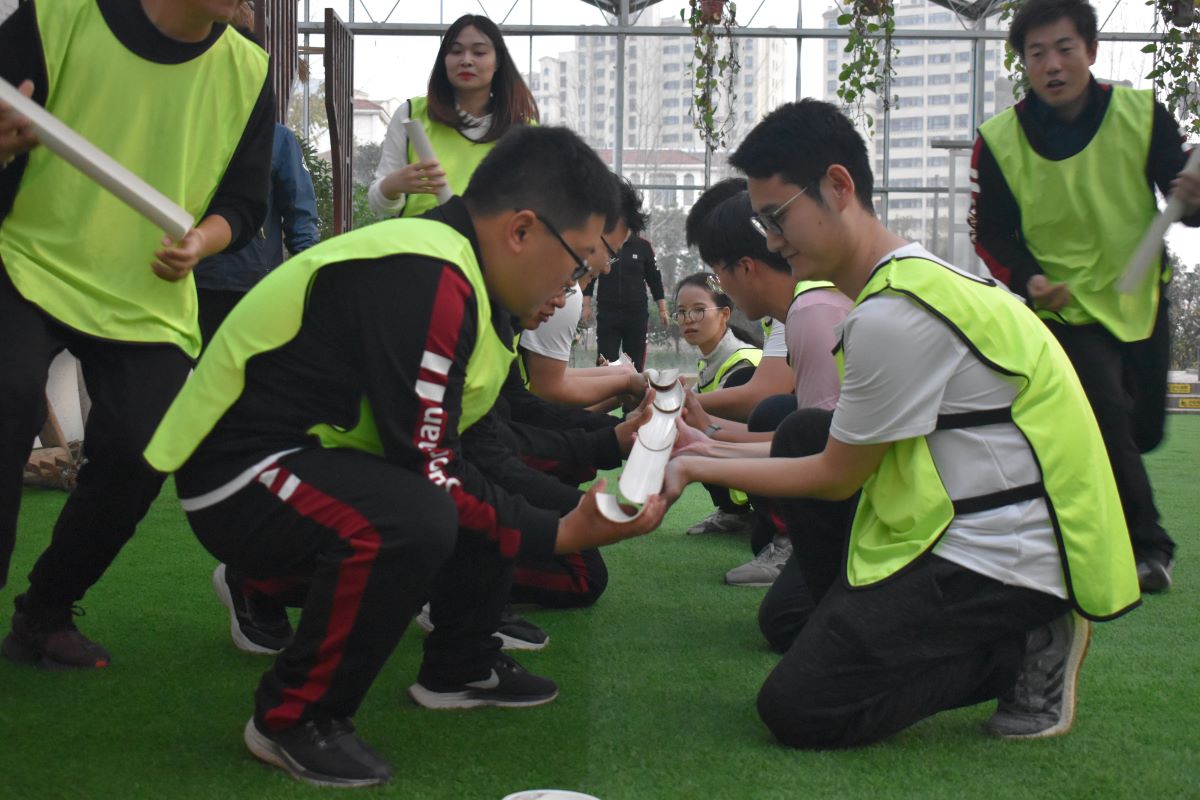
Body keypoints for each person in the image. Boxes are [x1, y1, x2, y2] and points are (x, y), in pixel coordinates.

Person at [142, 126, 665, 788]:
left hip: (312, 461)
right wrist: (560, 531)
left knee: (477, 496)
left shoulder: (466, 282)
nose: (576, 286)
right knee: (418, 514)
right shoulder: (429, 274)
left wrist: (561, 516)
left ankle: (460, 665)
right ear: (522, 231)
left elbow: (481, 455)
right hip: (240, 474)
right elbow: (431, 472)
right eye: (580, 261)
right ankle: (294, 717)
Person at [663, 98, 1140, 748]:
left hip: (1010, 559)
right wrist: (702, 447)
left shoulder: (892, 315)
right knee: (805, 436)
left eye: (777, 219)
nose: (771, 242)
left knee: (798, 709)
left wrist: (695, 459)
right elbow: (835, 450)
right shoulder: (905, 286)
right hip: (962, 518)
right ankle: (861, 623)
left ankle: (1019, 645)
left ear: (838, 187)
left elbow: (836, 477)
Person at [0, 0, 272, 668]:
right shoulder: (56, 17)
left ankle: (45, 612)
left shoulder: (248, 68)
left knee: (142, 448)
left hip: (146, 298)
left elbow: (244, 202)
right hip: (27, 263)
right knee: (6, 394)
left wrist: (200, 240)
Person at [970, 0, 1200, 595]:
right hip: (1064, 309)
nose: (1051, 64)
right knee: (1105, 419)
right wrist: (1028, 280)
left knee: (1145, 430)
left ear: (1090, 52)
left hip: (1139, 297)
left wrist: (1194, 196)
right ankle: (1148, 548)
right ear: (1022, 62)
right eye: (1036, 53)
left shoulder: (1142, 114)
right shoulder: (998, 141)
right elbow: (990, 233)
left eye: (1063, 49)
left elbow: (1188, 202)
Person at [680, 179, 851, 587]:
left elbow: (817, 453)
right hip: (851, 459)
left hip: (875, 494)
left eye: (719, 279)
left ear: (746, 267)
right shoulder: (801, 307)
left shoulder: (811, 313)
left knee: (785, 619)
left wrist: (702, 450)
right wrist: (705, 433)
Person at [367, 14, 537, 219]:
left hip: (492, 250)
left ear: (498, 61)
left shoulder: (524, 130)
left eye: (479, 52)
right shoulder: (411, 114)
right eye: (456, 51)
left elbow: (540, 205)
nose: (466, 60)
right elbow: (378, 204)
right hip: (422, 246)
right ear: (444, 59)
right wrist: (392, 185)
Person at [519, 177, 649, 410]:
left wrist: (621, 378)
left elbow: (549, 376)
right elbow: (547, 388)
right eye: (610, 253)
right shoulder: (565, 294)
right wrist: (622, 387)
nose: (608, 267)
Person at [195, 121, 319, 344]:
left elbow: (300, 213)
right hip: (197, 279)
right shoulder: (198, 131)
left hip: (255, 282)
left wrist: (310, 278)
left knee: (251, 368)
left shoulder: (278, 139)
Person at [672, 271, 762, 537]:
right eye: (682, 312)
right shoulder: (712, 360)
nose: (688, 319)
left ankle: (754, 511)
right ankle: (734, 512)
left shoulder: (745, 362)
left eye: (699, 310)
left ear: (724, 314)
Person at [582, 186, 666, 371]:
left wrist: (662, 308)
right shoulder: (603, 245)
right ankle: (605, 395)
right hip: (608, 310)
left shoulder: (643, 247)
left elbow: (654, 278)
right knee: (606, 359)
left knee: (634, 362)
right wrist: (586, 304)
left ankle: (633, 398)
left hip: (636, 312)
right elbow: (591, 275)